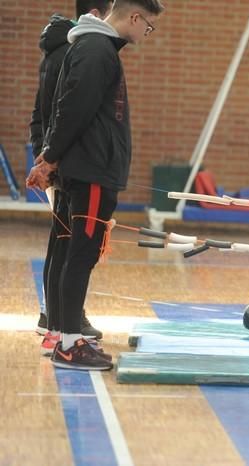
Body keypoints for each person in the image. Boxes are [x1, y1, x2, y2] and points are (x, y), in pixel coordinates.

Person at [26, 0, 165, 370]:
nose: (145, 34)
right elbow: (72, 108)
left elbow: (66, 108)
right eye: (147, 26)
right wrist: (51, 157)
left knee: (75, 252)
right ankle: (69, 344)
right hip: (90, 172)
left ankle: (64, 332)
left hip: (89, 168)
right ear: (134, 17)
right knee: (80, 255)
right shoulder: (95, 49)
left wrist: (51, 156)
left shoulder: (95, 48)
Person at [30, 1, 114, 342]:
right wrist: (49, 158)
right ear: (97, 13)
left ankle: (54, 316)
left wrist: (44, 155)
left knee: (60, 240)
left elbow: (42, 112)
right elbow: (67, 113)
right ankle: (64, 320)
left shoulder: (60, 48)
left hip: (57, 158)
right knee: (69, 246)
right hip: (68, 162)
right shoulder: (79, 50)